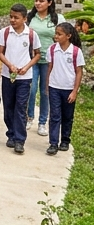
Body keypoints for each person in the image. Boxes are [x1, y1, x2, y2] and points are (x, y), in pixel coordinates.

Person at [0, 3, 40, 154]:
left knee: (21, 107)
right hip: (8, 75)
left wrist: (27, 67)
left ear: (24, 19)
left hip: (25, 77)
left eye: (16, 17)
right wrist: (9, 65)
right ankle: (11, 134)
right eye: (11, 17)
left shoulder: (31, 34)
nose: (13, 20)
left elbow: (37, 54)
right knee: (8, 106)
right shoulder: (4, 33)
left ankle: (20, 140)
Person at [27, 0, 65, 137]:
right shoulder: (30, 18)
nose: (37, 3)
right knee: (31, 89)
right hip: (32, 59)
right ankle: (29, 117)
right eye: (36, 0)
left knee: (45, 91)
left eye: (41, 1)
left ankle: (42, 122)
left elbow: (63, 38)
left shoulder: (57, 19)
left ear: (49, 2)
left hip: (49, 61)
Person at [46, 22, 84, 155]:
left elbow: (79, 72)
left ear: (68, 36)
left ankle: (65, 140)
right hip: (54, 87)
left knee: (67, 116)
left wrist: (74, 91)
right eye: (56, 33)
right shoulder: (52, 49)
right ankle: (53, 143)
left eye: (59, 34)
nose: (56, 36)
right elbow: (50, 68)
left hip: (68, 88)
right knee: (55, 115)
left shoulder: (75, 52)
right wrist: (47, 86)